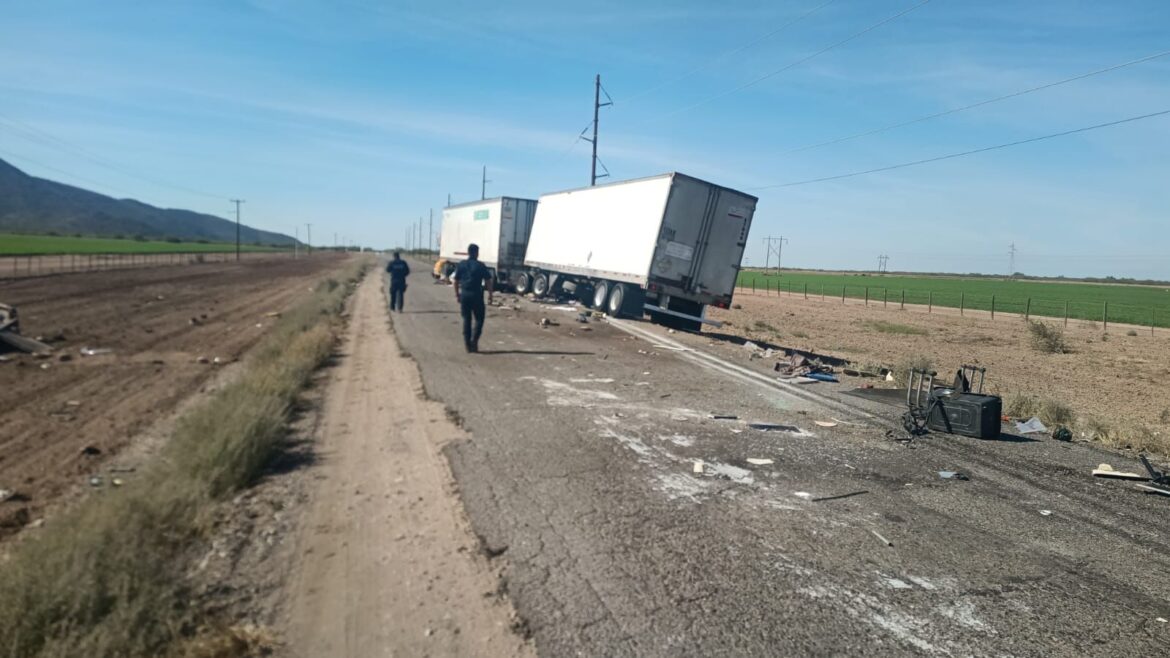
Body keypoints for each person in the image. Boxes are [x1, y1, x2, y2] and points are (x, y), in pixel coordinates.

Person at [452, 243, 493, 352]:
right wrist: (490, 295)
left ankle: (467, 344)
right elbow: (488, 281)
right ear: (475, 253)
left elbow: (455, 281)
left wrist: (457, 294)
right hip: (477, 296)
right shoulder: (480, 265)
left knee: (467, 319)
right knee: (479, 319)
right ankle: (474, 340)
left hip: (465, 295)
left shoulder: (461, 264)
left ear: (468, 252)